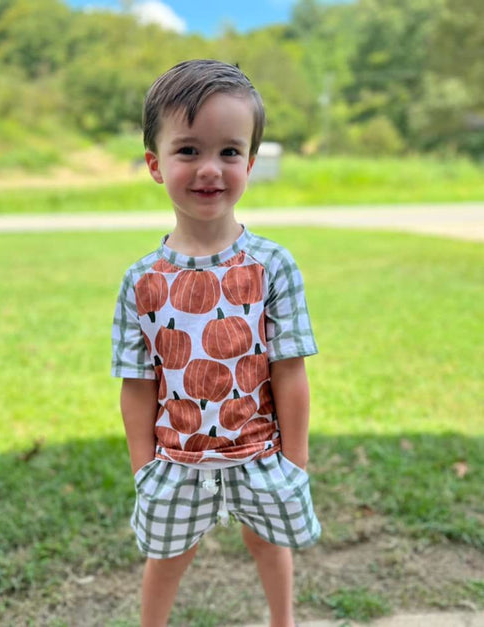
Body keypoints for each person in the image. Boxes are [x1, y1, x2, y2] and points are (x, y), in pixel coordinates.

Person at [112, 59, 321, 627]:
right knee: (169, 556)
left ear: (250, 162)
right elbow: (137, 384)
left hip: (260, 453)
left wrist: (293, 465)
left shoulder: (272, 266)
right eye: (188, 151)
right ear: (155, 165)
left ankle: (284, 622)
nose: (210, 169)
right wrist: (143, 470)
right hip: (175, 461)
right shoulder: (143, 279)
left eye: (229, 152)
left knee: (266, 543)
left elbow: (290, 373)